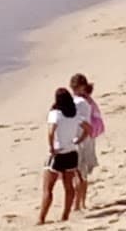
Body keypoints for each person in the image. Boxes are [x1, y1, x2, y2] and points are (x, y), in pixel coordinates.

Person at [39, 88, 91, 225]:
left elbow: (51, 132)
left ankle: (41, 218)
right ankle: (65, 215)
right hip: (71, 153)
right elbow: (88, 129)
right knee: (69, 187)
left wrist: (51, 147)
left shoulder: (55, 114)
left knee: (48, 188)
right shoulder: (75, 114)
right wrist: (78, 140)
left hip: (58, 153)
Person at [70, 73, 100, 210]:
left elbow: (82, 123)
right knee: (82, 173)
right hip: (87, 139)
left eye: (76, 88)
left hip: (81, 139)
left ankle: (78, 204)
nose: (74, 91)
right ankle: (81, 202)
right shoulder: (88, 101)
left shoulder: (81, 103)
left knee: (78, 173)